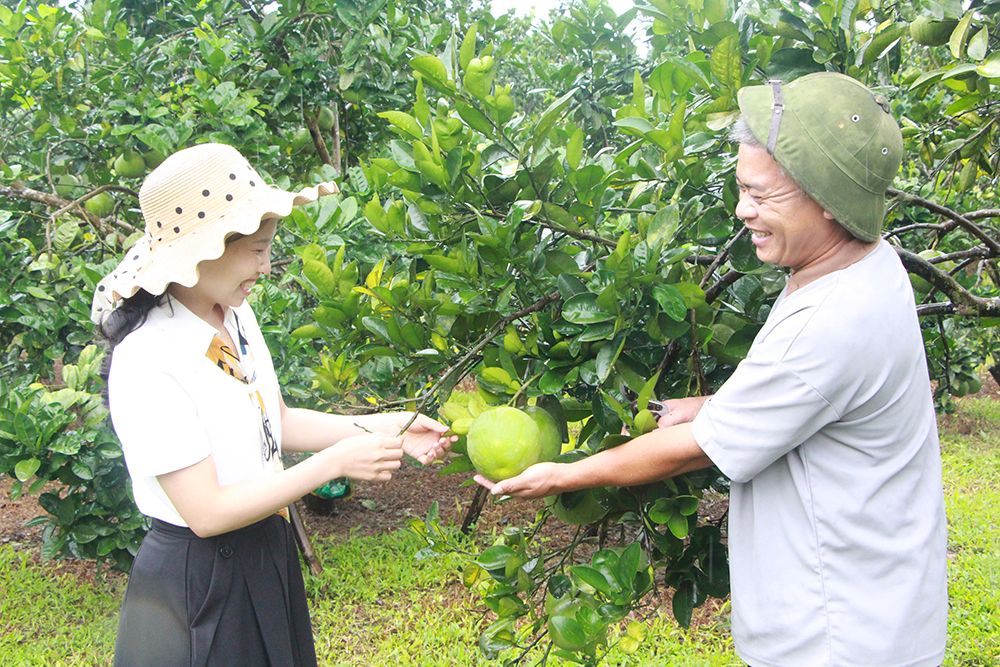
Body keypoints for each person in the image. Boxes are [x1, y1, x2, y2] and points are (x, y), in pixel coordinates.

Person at [477, 73, 947, 667]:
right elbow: (817, 400)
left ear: (828, 198)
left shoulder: (830, 320)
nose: (742, 210)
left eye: (761, 195)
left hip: (837, 637)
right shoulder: (864, 264)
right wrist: (715, 405)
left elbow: (695, 449)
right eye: (740, 188)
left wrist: (563, 476)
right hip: (880, 607)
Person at [93, 143, 454, 667]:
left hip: (265, 547)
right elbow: (207, 513)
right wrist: (330, 466)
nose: (265, 265)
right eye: (256, 249)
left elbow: (278, 422)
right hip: (199, 578)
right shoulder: (149, 357)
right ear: (204, 250)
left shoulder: (234, 316)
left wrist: (387, 426)